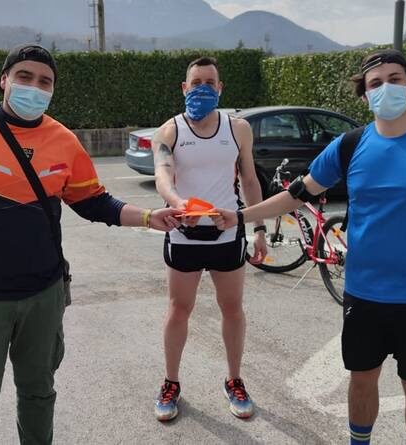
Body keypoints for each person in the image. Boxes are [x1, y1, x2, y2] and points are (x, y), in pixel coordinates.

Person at [213, 49, 406, 445]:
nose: (386, 88)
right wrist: (240, 216)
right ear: (364, 96)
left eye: (395, 79)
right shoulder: (349, 145)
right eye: (375, 84)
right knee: (362, 380)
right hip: (364, 295)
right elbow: (297, 194)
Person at [0, 44, 180, 444]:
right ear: (4, 80)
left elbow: (93, 202)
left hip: (44, 294)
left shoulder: (63, 140)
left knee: (39, 394)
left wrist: (148, 217)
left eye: (45, 82)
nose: (34, 87)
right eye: (24, 77)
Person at [150, 56, 267, 421]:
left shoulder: (238, 129)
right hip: (183, 236)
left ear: (220, 88)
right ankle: (170, 383)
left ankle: (234, 380)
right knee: (178, 310)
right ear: (184, 88)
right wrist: (176, 202)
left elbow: (250, 180)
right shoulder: (169, 131)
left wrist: (259, 229)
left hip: (227, 234)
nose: (202, 88)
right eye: (196, 82)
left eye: (209, 82)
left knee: (232, 309)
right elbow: (162, 174)